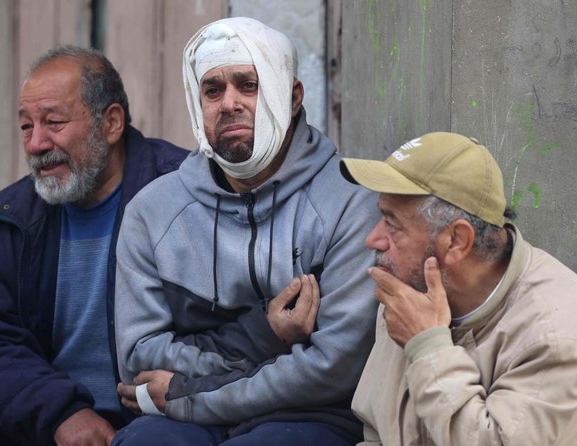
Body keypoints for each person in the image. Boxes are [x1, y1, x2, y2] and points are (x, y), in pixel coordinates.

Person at [113, 17, 380, 445]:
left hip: (307, 413)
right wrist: (266, 338)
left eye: (248, 85)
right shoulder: (152, 213)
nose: (229, 103)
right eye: (212, 90)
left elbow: (331, 368)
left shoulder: (350, 201)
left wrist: (190, 392)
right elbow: (138, 360)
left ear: (292, 97)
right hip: (184, 419)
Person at [0, 45, 188, 445]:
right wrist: (61, 413)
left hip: (162, 415)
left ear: (111, 123)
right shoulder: (7, 221)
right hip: (48, 421)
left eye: (53, 122)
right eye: (26, 126)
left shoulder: (186, 195)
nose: (36, 143)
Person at [340, 131, 577, 445]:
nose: (372, 240)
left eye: (392, 224)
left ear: (456, 241)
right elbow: (377, 431)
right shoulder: (411, 288)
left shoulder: (555, 336)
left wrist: (428, 348)